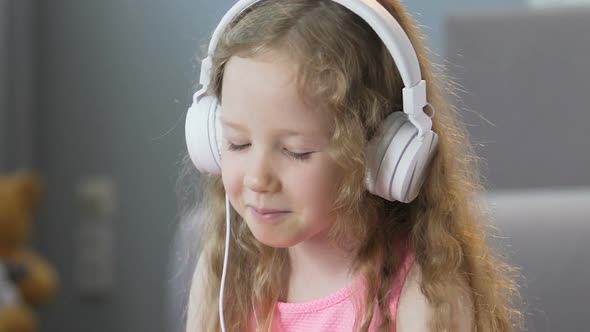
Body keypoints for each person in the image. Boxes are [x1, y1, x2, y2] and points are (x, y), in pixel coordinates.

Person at [180, 0, 523, 331]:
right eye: (237, 143)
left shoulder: (425, 294)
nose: (257, 178)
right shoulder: (226, 276)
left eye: (296, 151)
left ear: (378, 153)